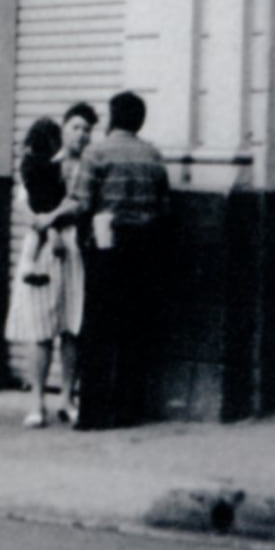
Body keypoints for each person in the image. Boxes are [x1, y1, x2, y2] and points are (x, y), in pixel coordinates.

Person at [69, 90, 171, 430]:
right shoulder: (153, 156)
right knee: (134, 330)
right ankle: (128, 410)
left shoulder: (95, 153)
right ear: (139, 121)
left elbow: (82, 203)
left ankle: (93, 413)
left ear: (112, 118)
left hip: (105, 246)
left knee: (96, 330)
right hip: (146, 250)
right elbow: (164, 208)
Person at [7, 116, 71, 425]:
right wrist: (53, 228)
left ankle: (52, 401)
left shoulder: (34, 168)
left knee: (68, 327)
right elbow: (30, 207)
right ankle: (41, 401)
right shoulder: (41, 170)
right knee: (42, 330)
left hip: (50, 245)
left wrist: (47, 226)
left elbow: (31, 209)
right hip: (50, 244)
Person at [53, 103, 96, 420]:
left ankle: (68, 395)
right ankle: (41, 396)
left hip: (79, 246)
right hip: (49, 246)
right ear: (63, 129)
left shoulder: (92, 166)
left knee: (74, 325)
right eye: (76, 127)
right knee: (44, 322)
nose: (81, 134)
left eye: (87, 129)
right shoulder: (48, 165)